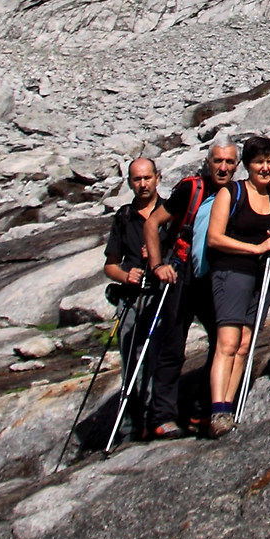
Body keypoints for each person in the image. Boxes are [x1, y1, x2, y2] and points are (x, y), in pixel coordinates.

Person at [141, 141, 237, 439]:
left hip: (212, 275)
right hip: (181, 273)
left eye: (229, 162)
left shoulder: (235, 193)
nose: (223, 167)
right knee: (173, 345)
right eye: (218, 161)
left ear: (236, 165)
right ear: (208, 162)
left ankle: (198, 408)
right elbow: (153, 222)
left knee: (222, 343)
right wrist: (158, 265)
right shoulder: (190, 189)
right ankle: (163, 416)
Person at [202, 135, 270, 436]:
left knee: (244, 345)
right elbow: (214, 238)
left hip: (264, 276)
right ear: (248, 165)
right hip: (232, 272)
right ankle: (218, 409)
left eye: (269, 162)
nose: (265, 168)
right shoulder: (232, 193)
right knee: (227, 342)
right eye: (259, 162)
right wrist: (256, 248)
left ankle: (227, 407)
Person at [99, 157, 171, 441]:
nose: (142, 184)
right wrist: (125, 276)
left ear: (157, 178)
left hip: (161, 295)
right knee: (131, 361)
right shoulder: (124, 217)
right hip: (131, 296)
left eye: (147, 178)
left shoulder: (170, 212)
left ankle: (157, 417)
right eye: (137, 179)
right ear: (129, 182)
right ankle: (129, 425)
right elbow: (110, 265)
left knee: (159, 358)